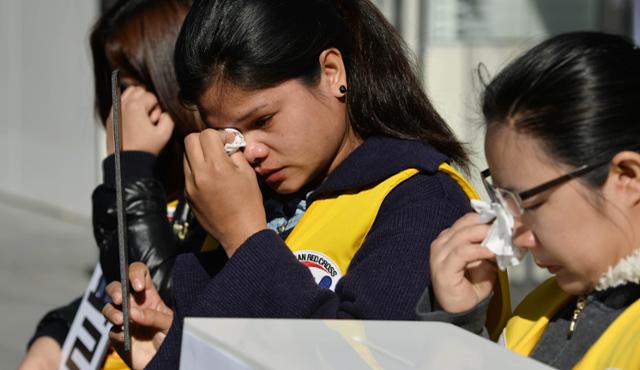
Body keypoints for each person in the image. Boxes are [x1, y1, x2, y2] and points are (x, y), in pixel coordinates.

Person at [101, 0, 510, 368]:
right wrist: (173, 344)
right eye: (230, 134)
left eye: (263, 120)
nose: (251, 151)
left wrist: (246, 240)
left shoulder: (421, 199)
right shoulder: (247, 199)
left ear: (331, 73)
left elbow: (362, 362)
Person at [418, 31, 640, 370]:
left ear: (628, 176)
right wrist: (459, 327)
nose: (518, 237)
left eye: (530, 204)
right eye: (503, 204)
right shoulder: (543, 305)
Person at [17, 0, 210, 369]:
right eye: (116, 89)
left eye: (136, 87)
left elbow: (158, 302)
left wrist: (130, 168)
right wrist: (54, 337)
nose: (124, 108)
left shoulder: (213, 180)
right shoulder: (161, 178)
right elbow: (110, 288)